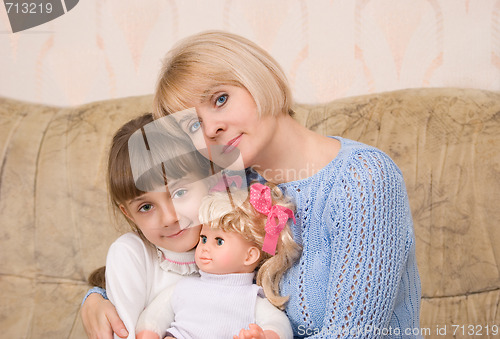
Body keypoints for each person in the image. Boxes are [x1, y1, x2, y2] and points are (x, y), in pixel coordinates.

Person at [82, 31, 422, 338]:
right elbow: (175, 261)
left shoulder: (362, 178)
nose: (211, 129)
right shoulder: (230, 184)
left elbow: (354, 334)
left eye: (219, 99)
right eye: (193, 126)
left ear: (262, 78)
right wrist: (97, 297)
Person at [135, 183, 300, 339]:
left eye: (219, 241)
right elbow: (156, 314)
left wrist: (266, 335)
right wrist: (149, 332)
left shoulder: (251, 299)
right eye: (204, 238)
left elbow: (278, 323)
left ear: (249, 256)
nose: (205, 247)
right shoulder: (184, 286)